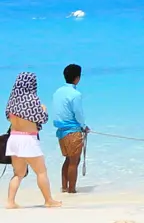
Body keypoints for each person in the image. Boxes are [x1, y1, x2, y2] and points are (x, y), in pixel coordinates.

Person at [7, 71, 60, 209]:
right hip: (28, 139)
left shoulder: (12, 100)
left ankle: (10, 202)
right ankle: (48, 200)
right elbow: (42, 119)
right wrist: (44, 109)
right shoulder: (32, 99)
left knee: (18, 174)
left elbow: (8, 117)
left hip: (13, 138)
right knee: (41, 172)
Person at [48, 63, 89, 194]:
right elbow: (78, 114)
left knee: (68, 160)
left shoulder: (57, 92)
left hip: (60, 132)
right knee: (74, 162)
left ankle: (64, 187)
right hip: (72, 131)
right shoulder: (75, 94)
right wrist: (84, 126)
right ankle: (72, 190)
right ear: (77, 78)